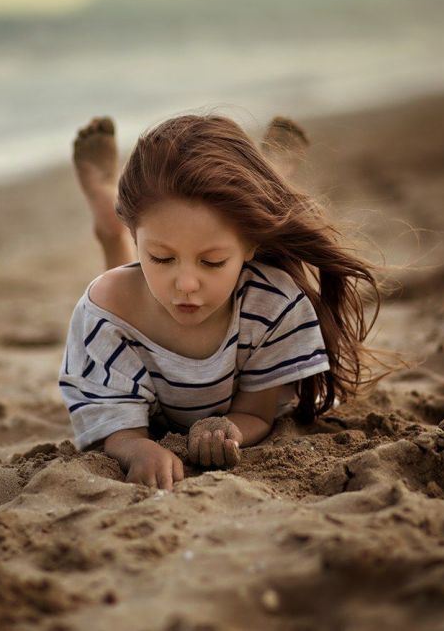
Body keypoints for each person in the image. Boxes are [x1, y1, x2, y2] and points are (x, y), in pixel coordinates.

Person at [59, 113, 399, 491]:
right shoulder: (104, 313)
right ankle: (111, 222)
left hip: (231, 237)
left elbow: (257, 412)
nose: (187, 284)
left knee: (254, 210)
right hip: (133, 276)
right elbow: (118, 428)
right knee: (130, 281)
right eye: (160, 256)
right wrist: (137, 448)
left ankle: (272, 173)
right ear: (136, 235)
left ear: (248, 249)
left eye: (213, 262)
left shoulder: (272, 302)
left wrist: (231, 428)